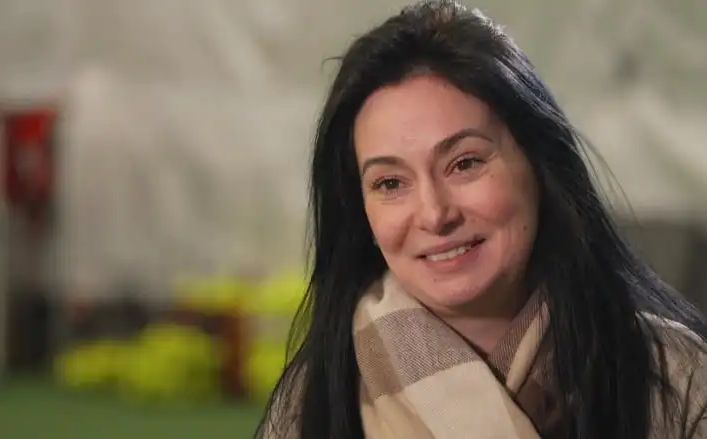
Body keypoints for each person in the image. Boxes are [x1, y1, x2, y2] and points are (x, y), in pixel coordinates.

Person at [255, 1, 707, 438]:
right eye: (390, 184)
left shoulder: (674, 378)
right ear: (361, 214)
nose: (435, 214)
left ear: (540, 165)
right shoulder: (315, 400)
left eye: (465, 163)